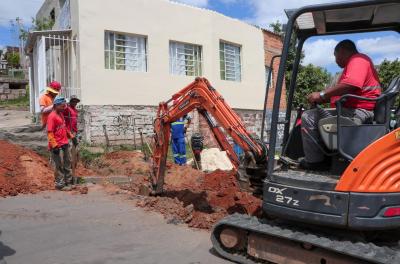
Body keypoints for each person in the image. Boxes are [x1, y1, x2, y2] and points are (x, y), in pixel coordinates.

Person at [300, 39, 381, 170]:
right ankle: (324, 159)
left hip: (357, 112)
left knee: (308, 117)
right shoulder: (355, 64)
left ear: (342, 51)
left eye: (335, 56)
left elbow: (351, 84)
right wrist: (322, 99)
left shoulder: (358, 60)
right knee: (315, 114)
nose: (335, 60)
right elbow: (344, 91)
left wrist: (321, 94)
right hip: (353, 109)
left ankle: (314, 163)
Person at [47, 97, 75, 190]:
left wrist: (71, 136)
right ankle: (60, 184)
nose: (64, 108)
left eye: (65, 106)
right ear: (56, 105)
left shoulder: (61, 114)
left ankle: (68, 182)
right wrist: (54, 146)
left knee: (68, 163)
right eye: (62, 106)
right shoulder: (52, 116)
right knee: (59, 165)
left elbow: (64, 127)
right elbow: (50, 133)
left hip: (65, 143)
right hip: (57, 146)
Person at [63, 95, 80, 182]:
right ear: (70, 102)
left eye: (76, 101)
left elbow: (75, 122)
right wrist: (65, 104)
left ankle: (73, 171)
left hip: (75, 133)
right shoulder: (67, 109)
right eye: (73, 101)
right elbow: (63, 110)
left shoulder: (75, 110)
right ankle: (68, 174)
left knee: (76, 153)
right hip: (68, 133)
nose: (75, 103)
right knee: (69, 154)